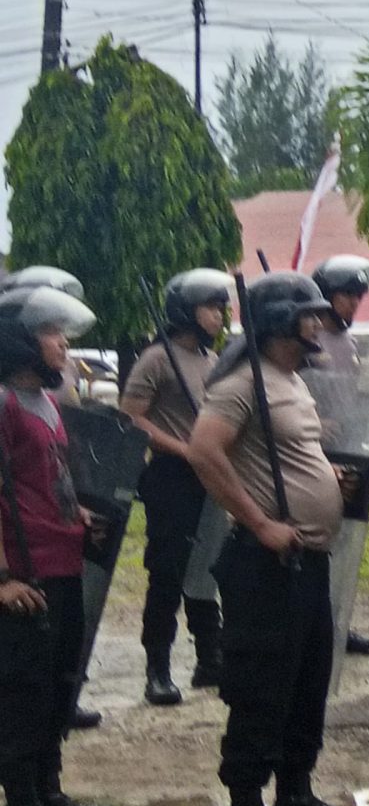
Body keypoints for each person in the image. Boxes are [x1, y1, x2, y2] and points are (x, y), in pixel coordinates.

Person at [188, 273, 369, 806]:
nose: (318, 323)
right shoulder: (241, 384)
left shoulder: (290, 381)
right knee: (262, 684)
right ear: (278, 321)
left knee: (308, 680)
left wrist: (327, 480)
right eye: (308, 315)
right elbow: (204, 451)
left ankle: (296, 794)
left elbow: (293, 454)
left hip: (309, 561)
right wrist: (261, 521)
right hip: (266, 562)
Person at [0, 285, 117, 806]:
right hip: (26, 569)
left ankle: (49, 789)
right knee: (23, 688)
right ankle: (20, 803)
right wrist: (2, 578)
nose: (62, 346)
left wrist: (80, 518)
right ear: (21, 340)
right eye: (51, 334)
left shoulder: (46, 402)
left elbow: (53, 479)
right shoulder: (1, 403)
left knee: (56, 684)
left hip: (63, 557)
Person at [122, 269, 232, 706]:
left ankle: (210, 657)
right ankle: (158, 668)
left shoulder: (211, 361)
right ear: (187, 311)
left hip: (209, 476)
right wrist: (184, 449)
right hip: (171, 477)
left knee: (207, 569)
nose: (219, 316)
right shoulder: (156, 359)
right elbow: (131, 418)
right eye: (211, 307)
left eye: (222, 308)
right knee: (167, 574)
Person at [309, 255, 369, 654]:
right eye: (346, 296)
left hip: (352, 450)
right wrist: (313, 422)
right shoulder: (307, 341)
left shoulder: (350, 343)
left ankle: (338, 625)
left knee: (345, 543)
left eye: (358, 297)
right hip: (316, 456)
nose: (353, 304)